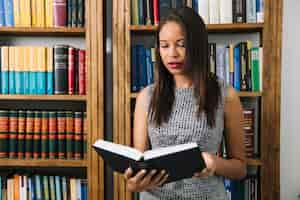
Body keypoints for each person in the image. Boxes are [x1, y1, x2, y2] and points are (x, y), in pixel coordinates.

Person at [123, 6, 246, 200]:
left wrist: (214, 162)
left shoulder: (226, 95)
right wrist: (133, 183)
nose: (172, 54)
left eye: (181, 44)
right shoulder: (146, 97)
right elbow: (139, 165)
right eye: (164, 45)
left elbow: (240, 168)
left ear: (197, 45)